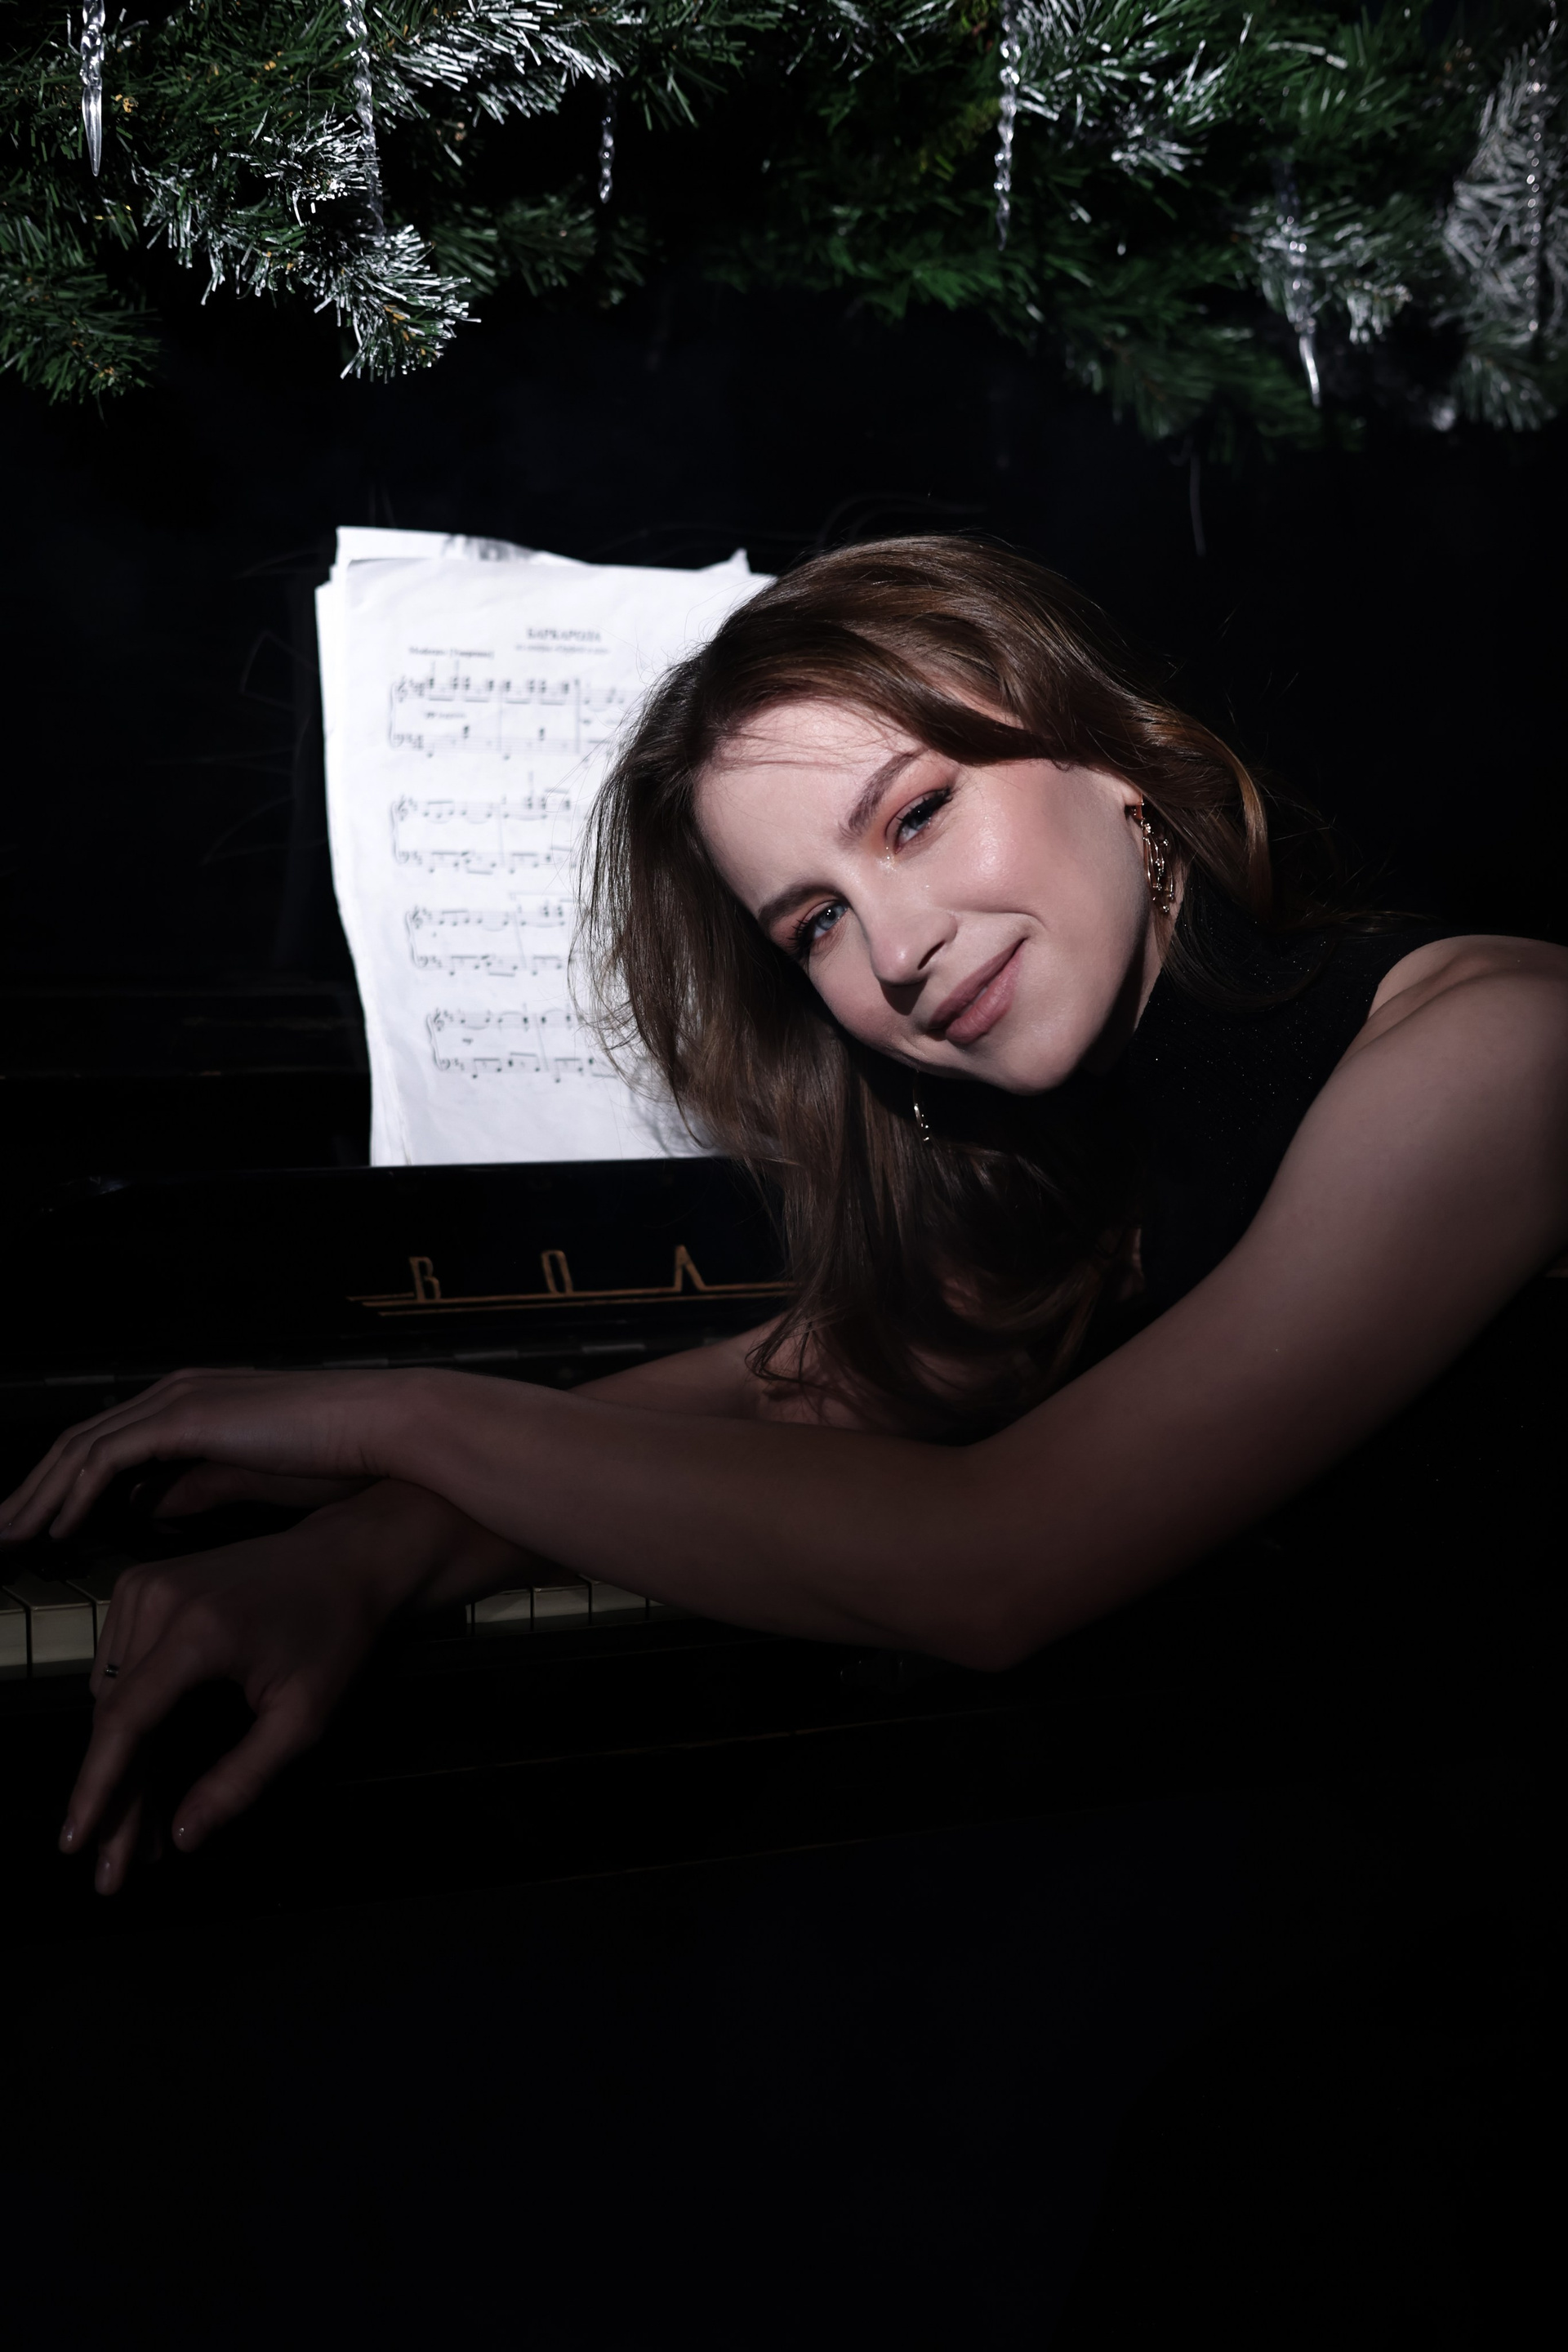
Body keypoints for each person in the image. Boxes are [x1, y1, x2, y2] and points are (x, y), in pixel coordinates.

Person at [3, 537, 1565, 1901]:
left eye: (916, 816)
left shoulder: (1496, 1052)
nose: (894, 949)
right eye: (814, 922)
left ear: (1110, 752)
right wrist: (364, 1552)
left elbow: (996, 1564)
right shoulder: (1084, 1152)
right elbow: (792, 1385)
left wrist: (394, 1417)